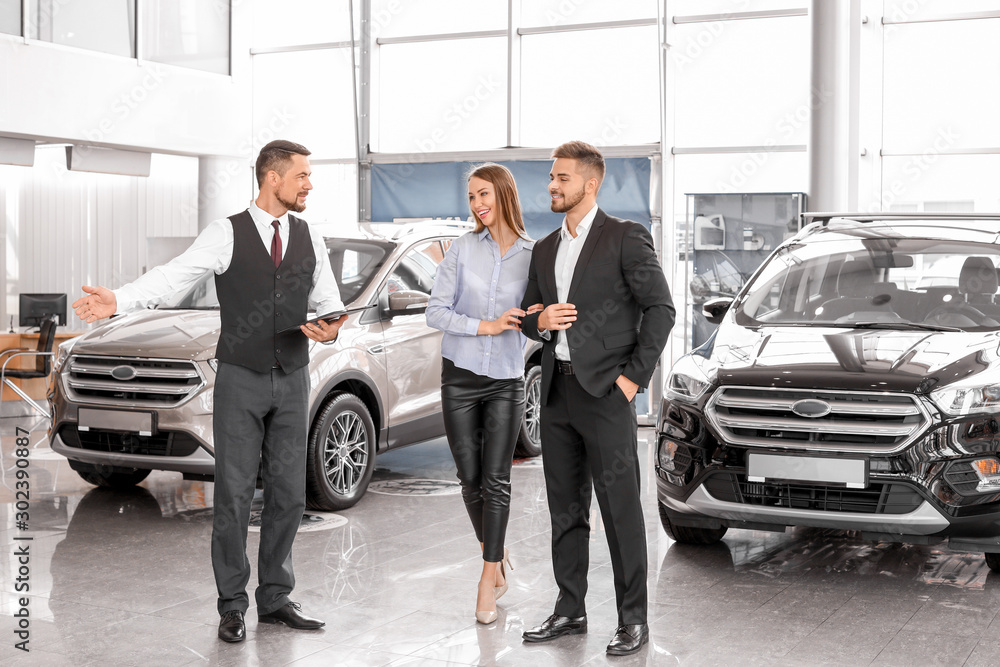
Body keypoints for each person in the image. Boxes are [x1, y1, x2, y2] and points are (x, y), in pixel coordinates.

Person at [72, 140, 348, 644]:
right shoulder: (227, 232)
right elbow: (172, 276)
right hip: (240, 379)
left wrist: (330, 328)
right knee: (235, 496)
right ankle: (233, 605)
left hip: (293, 377)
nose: (309, 184)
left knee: (289, 493)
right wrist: (119, 300)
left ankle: (276, 597)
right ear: (272, 178)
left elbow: (329, 301)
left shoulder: (310, 235)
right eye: (302, 175)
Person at [519, 141, 674, 656]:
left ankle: (633, 619)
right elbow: (527, 314)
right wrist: (539, 322)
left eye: (561, 178)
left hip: (607, 394)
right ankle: (570, 609)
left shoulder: (625, 237)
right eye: (551, 177)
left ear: (591, 183)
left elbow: (661, 309)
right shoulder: (545, 248)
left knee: (620, 510)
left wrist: (632, 381)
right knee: (565, 510)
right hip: (556, 392)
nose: (552, 186)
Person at [425, 163, 540, 625]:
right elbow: (436, 311)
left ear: (504, 194)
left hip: (506, 379)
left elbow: (537, 319)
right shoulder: (461, 249)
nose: (476, 204)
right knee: (469, 478)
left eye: (484, 194)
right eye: (471, 196)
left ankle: (488, 574)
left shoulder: (534, 254)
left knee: (496, 479)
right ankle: (496, 550)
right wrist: (485, 326)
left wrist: (535, 319)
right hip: (459, 375)